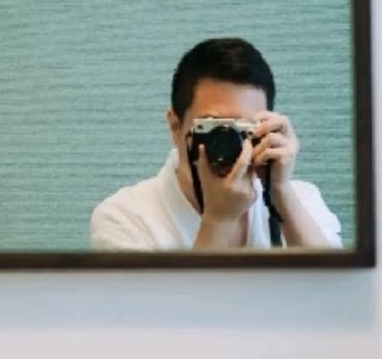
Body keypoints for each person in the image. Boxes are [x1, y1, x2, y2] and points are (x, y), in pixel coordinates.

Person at [90, 38, 342, 250]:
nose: (229, 143)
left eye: (244, 129)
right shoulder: (124, 217)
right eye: (214, 128)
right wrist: (218, 221)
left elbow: (331, 290)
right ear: (176, 127)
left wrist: (280, 193)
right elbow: (163, 300)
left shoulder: (301, 199)